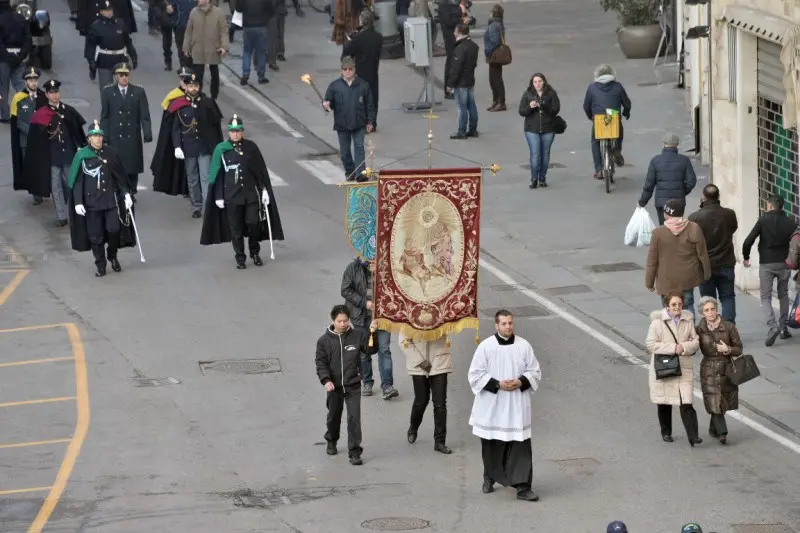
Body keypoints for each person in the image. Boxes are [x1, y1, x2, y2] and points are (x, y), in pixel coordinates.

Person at [468, 309, 542, 502]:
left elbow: (535, 371)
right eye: (504, 324)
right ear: (496, 325)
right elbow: (475, 375)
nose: (508, 326)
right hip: (493, 404)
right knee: (492, 444)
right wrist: (498, 384)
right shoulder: (486, 347)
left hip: (516, 404)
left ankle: (523, 487)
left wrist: (520, 381)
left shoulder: (524, 346)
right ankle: (489, 477)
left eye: (510, 323)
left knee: (520, 445)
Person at [201, 115, 285, 268]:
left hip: (250, 195)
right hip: (232, 196)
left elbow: (259, 172)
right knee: (236, 229)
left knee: (253, 223)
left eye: (238, 131)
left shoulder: (251, 147)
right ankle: (240, 257)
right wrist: (218, 196)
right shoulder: (221, 150)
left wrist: (264, 190)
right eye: (233, 131)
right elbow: (217, 175)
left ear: (242, 132)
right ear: (228, 132)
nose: (235, 134)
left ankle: (254, 252)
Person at [68, 120, 135, 277]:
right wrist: (78, 202)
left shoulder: (110, 153)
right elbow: (77, 182)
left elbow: (119, 177)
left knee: (114, 230)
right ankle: (100, 264)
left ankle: (112, 255)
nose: (98, 139)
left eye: (100, 136)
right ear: (89, 138)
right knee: (96, 236)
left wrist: (126, 194)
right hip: (92, 203)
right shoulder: (82, 155)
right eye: (95, 136)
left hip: (110, 201)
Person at [152, 71, 223, 218]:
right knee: (192, 178)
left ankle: (207, 205)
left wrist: (215, 145)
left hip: (203, 147)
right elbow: (176, 128)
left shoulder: (207, 103)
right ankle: (196, 206)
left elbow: (215, 126)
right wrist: (177, 146)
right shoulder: (179, 104)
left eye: (195, 86)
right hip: (188, 148)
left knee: (205, 176)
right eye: (190, 86)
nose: (193, 89)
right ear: (186, 87)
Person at [315, 305, 379, 466]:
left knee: (354, 419)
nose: (343, 324)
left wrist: (373, 332)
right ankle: (331, 439)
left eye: (345, 321)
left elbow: (371, 350)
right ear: (333, 320)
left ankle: (355, 452)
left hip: (353, 385)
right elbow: (321, 363)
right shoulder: (323, 341)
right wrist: (326, 380)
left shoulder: (357, 336)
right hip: (334, 386)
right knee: (333, 416)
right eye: (339, 321)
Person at [23, 80, 87, 227]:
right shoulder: (41, 115)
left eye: (56, 92)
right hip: (51, 156)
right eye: (51, 92)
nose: (54, 95)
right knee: (55, 186)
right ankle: (61, 216)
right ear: (46, 94)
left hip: (68, 154)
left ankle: (77, 211)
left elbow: (77, 132)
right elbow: (36, 140)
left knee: (70, 185)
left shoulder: (68, 111)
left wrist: (80, 148)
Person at [645, 291, 702, 446]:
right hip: (665, 365)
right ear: (667, 306)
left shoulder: (687, 321)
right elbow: (651, 344)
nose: (677, 307)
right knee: (664, 401)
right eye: (674, 304)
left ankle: (693, 436)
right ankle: (666, 432)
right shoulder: (657, 323)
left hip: (684, 367)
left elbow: (695, 341)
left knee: (687, 401)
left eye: (679, 304)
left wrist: (683, 347)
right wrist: (673, 348)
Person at [742, 193, 798, 346]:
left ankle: (772, 326)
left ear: (770, 205)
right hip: (784, 263)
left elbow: (748, 240)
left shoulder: (763, 220)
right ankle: (783, 328)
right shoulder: (790, 222)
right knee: (784, 294)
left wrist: (746, 256)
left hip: (766, 263)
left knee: (765, 297)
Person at [340, 257, 399, 399]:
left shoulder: (387, 266)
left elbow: (397, 288)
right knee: (364, 352)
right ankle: (367, 381)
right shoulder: (352, 268)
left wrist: (379, 275)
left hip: (383, 315)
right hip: (360, 317)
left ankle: (387, 386)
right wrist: (363, 303)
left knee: (384, 349)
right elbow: (345, 290)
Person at [645, 199, 711, 315]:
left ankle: (672, 331)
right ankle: (689, 331)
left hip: (666, 280)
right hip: (688, 277)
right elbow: (702, 254)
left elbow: (652, 260)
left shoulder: (658, 233)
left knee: (669, 309)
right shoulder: (694, 228)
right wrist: (706, 274)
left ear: (666, 214)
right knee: (688, 306)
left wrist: (649, 282)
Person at [687, 184, 738, 323]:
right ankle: (729, 328)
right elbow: (733, 228)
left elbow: (691, 240)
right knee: (727, 297)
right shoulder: (729, 214)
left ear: (703, 197)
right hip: (726, 262)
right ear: (718, 196)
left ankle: (712, 328)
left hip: (705, 266)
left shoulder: (694, 218)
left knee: (708, 300)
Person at [100, 63, 152, 198]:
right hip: (115, 134)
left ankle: (132, 190)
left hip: (132, 134)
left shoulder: (138, 92)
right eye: (121, 75)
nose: (124, 78)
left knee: (132, 165)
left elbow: (144, 114)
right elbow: (105, 115)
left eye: (126, 75)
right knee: (116, 164)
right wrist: (103, 135)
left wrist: (147, 133)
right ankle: (118, 190)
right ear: (116, 76)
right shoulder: (108, 92)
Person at [696, 296, 743, 445]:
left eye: (712, 309)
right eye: (706, 310)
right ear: (702, 313)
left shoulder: (729, 327)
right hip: (708, 369)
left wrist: (727, 349)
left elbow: (739, 349)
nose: (710, 312)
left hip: (726, 368)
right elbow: (691, 344)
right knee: (713, 399)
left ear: (717, 309)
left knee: (723, 401)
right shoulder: (699, 329)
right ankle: (722, 433)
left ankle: (713, 428)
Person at [322, 56, 375, 181]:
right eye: (345, 69)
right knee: (345, 151)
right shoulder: (335, 86)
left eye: (350, 69)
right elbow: (329, 102)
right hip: (342, 124)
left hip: (359, 122)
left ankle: (360, 173)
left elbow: (370, 105)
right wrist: (326, 105)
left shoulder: (363, 85)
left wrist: (370, 121)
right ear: (341, 70)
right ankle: (350, 171)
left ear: (354, 70)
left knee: (359, 147)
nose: (347, 71)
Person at [399, 333, 452, 454]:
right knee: (421, 401)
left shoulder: (444, 314)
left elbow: (454, 324)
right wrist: (420, 361)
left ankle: (440, 442)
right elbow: (403, 341)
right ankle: (413, 427)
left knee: (440, 404)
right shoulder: (409, 314)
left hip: (440, 361)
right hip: (419, 365)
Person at [150, 66, 193, 198]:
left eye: (186, 79)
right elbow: (167, 122)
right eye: (182, 79)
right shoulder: (173, 96)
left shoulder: (194, 94)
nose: (184, 82)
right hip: (177, 135)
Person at [583, 63, 631, 180]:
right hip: (613, 116)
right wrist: (626, 113)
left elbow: (586, 105)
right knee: (619, 131)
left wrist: (591, 117)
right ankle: (617, 149)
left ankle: (599, 170)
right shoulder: (617, 86)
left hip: (598, 118)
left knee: (595, 141)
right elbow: (627, 103)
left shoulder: (592, 87)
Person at [639, 133, 697, 225]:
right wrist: (681, 191)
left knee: (664, 228)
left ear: (663, 144)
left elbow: (649, 185)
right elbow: (691, 181)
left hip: (661, 202)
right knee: (677, 227)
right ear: (677, 145)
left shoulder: (655, 161)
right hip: (678, 202)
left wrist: (642, 202)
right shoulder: (684, 160)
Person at [10, 66, 47, 206]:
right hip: (26, 141)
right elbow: (17, 122)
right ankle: (35, 192)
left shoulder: (44, 97)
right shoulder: (18, 99)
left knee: (43, 165)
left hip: (43, 140)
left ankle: (43, 188)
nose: (33, 83)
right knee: (31, 166)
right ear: (25, 82)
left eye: (35, 80)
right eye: (30, 80)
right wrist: (32, 131)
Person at [84, 0, 138, 93]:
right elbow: (90, 45)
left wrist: (133, 55)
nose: (108, 13)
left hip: (120, 59)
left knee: (123, 89)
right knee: (106, 90)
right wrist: (91, 61)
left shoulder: (120, 23)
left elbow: (127, 41)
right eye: (106, 10)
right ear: (101, 11)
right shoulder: (96, 26)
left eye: (110, 10)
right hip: (105, 61)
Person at [342, 10, 382, 131]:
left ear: (362, 22)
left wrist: (350, 39)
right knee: (373, 97)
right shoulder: (378, 38)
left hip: (361, 72)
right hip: (373, 71)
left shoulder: (359, 39)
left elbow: (348, 50)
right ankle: (372, 123)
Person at [519, 72, 560, 189]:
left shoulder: (551, 94)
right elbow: (521, 111)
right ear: (532, 83)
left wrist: (544, 105)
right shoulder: (528, 94)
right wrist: (530, 107)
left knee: (545, 155)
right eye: (535, 82)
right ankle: (534, 178)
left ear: (544, 82)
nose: (538, 84)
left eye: (540, 81)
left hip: (548, 128)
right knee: (535, 154)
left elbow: (555, 110)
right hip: (532, 129)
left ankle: (542, 177)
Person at [184, 0, 230, 101]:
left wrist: (224, 46)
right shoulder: (194, 12)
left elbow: (224, 31)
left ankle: (214, 97)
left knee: (214, 73)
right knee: (198, 75)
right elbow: (188, 32)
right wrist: (186, 47)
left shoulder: (218, 13)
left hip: (214, 48)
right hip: (198, 49)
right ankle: (197, 96)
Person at [446, 23, 479, 140]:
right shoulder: (474, 46)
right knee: (472, 105)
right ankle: (473, 129)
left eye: (455, 31)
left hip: (461, 83)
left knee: (461, 107)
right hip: (470, 80)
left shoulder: (460, 49)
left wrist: (450, 84)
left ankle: (461, 131)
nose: (454, 33)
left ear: (460, 32)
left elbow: (456, 69)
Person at [0, 0, 31, 123]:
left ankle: (4, 114)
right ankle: (26, 110)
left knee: (3, 87)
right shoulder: (20, 18)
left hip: (3, 58)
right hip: (20, 55)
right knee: (20, 84)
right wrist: (21, 55)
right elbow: (27, 38)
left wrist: (7, 56)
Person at [238, 0, 272, 85]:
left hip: (248, 26)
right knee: (261, 52)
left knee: (247, 51)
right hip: (261, 25)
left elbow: (238, 8)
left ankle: (245, 73)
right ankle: (261, 76)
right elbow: (270, 9)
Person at [483, 4, 505, 112]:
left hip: (494, 55)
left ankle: (500, 102)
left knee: (495, 80)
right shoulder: (499, 23)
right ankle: (496, 101)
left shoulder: (494, 25)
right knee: (494, 79)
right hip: (496, 55)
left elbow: (495, 41)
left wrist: (486, 51)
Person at [164, 0, 194, 70]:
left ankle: (190, 67)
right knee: (181, 47)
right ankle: (184, 67)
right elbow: (169, 7)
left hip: (194, 25)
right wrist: (170, 12)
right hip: (180, 25)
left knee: (192, 47)